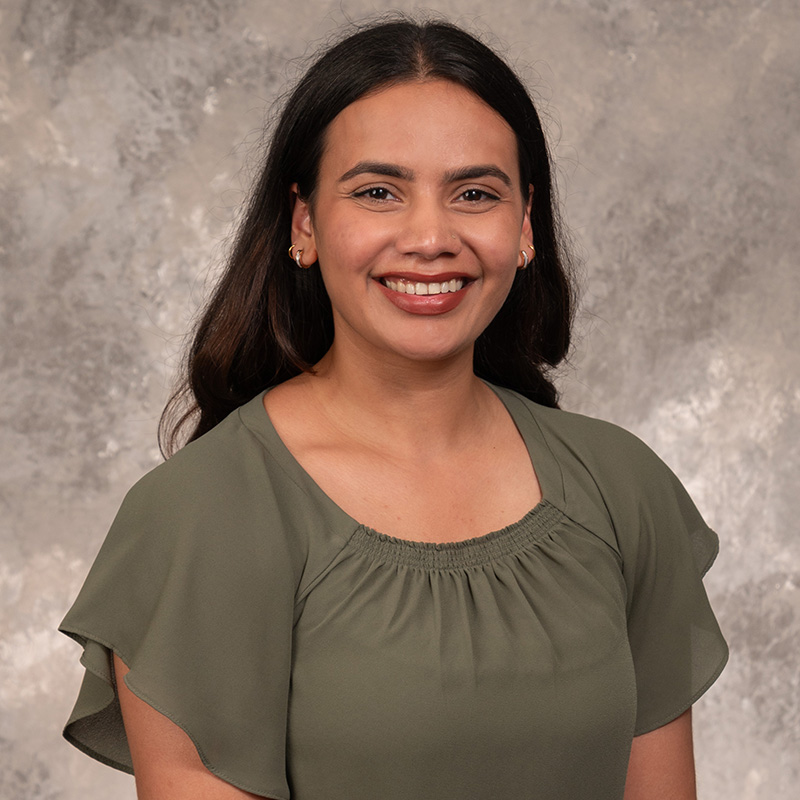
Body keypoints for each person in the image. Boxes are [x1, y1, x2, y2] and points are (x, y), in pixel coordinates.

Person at [60, 17, 728, 800]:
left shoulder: (623, 487)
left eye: (474, 193)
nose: (430, 236)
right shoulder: (203, 512)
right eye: (379, 192)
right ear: (306, 224)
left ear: (524, 227)